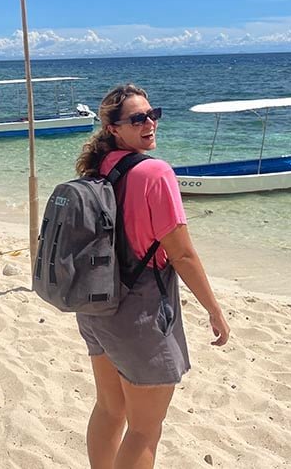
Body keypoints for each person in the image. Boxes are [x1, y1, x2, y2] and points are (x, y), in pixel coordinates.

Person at [74, 83, 230, 469]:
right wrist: (214, 309)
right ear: (114, 128)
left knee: (110, 408)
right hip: (139, 312)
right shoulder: (155, 172)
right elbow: (182, 254)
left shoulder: (100, 167)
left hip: (96, 303)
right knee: (145, 429)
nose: (150, 124)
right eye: (137, 119)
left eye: (152, 114)